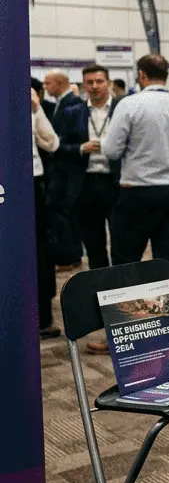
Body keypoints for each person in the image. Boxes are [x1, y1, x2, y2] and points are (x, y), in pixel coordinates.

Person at [102, 54, 169, 280]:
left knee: (125, 260)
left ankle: (128, 313)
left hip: (137, 192)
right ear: (166, 76)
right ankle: (165, 313)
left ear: (141, 75)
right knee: (167, 261)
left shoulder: (128, 105)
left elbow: (111, 151)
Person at [51, 64, 121, 273]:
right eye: (89, 82)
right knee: (93, 242)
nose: (94, 86)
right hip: (86, 183)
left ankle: (122, 287)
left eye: (99, 81)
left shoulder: (122, 109)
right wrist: (80, 148)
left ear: (108, 83)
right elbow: (58, 146)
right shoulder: (73, 112)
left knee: (121, 239)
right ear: (83, 86)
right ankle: (101, 288)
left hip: (117, 181)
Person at [31, 85, 60, 339]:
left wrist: (36, 108)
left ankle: (42, 317)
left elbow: (51, 143)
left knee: (39, 251)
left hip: (31, 184)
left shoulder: (27, 103)